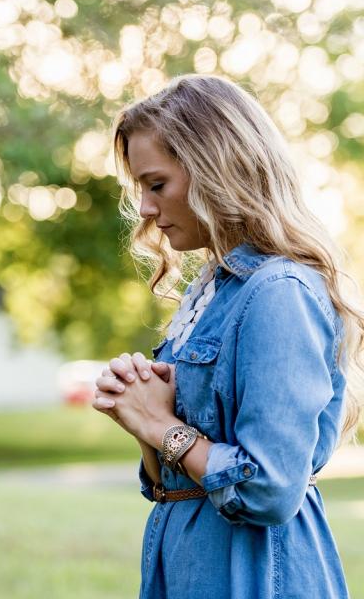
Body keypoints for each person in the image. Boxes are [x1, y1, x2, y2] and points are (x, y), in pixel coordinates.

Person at [92, 74, 363, 599]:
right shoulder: (214, 291)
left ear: (215, 169)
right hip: (193, 566)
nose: (145, 209)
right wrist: (139, 409)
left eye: (157, 185)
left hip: (257, 575)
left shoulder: (277, 292)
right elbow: (173, 484)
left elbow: (268, 488)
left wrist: (159, 422)